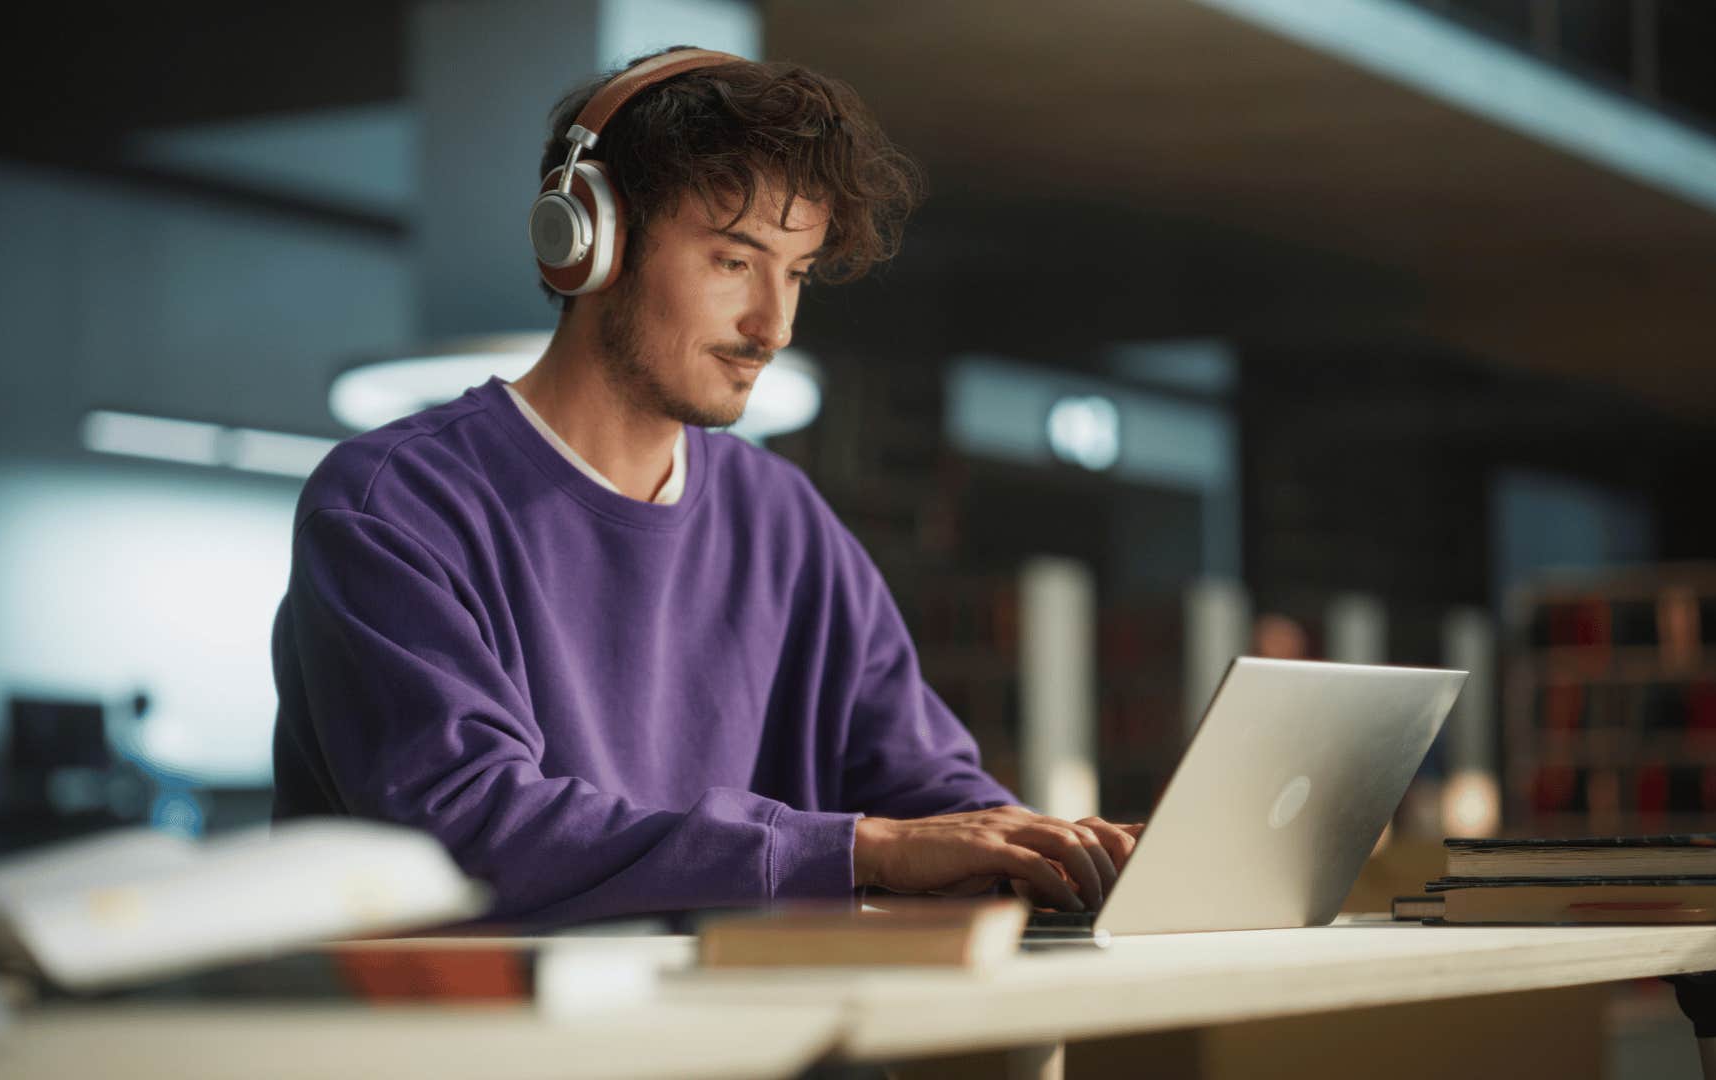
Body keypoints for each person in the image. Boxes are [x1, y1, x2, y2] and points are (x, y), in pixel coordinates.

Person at [270, 47, 1142, 927]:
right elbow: (468, 829)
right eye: (734, 261)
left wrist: (1044, 851)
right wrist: (856, 849)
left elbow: (923, 784)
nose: (774, 326)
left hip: (765, 1043)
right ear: (591, 241)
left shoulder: (784, 518)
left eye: (794, 273)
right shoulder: (394, 505)